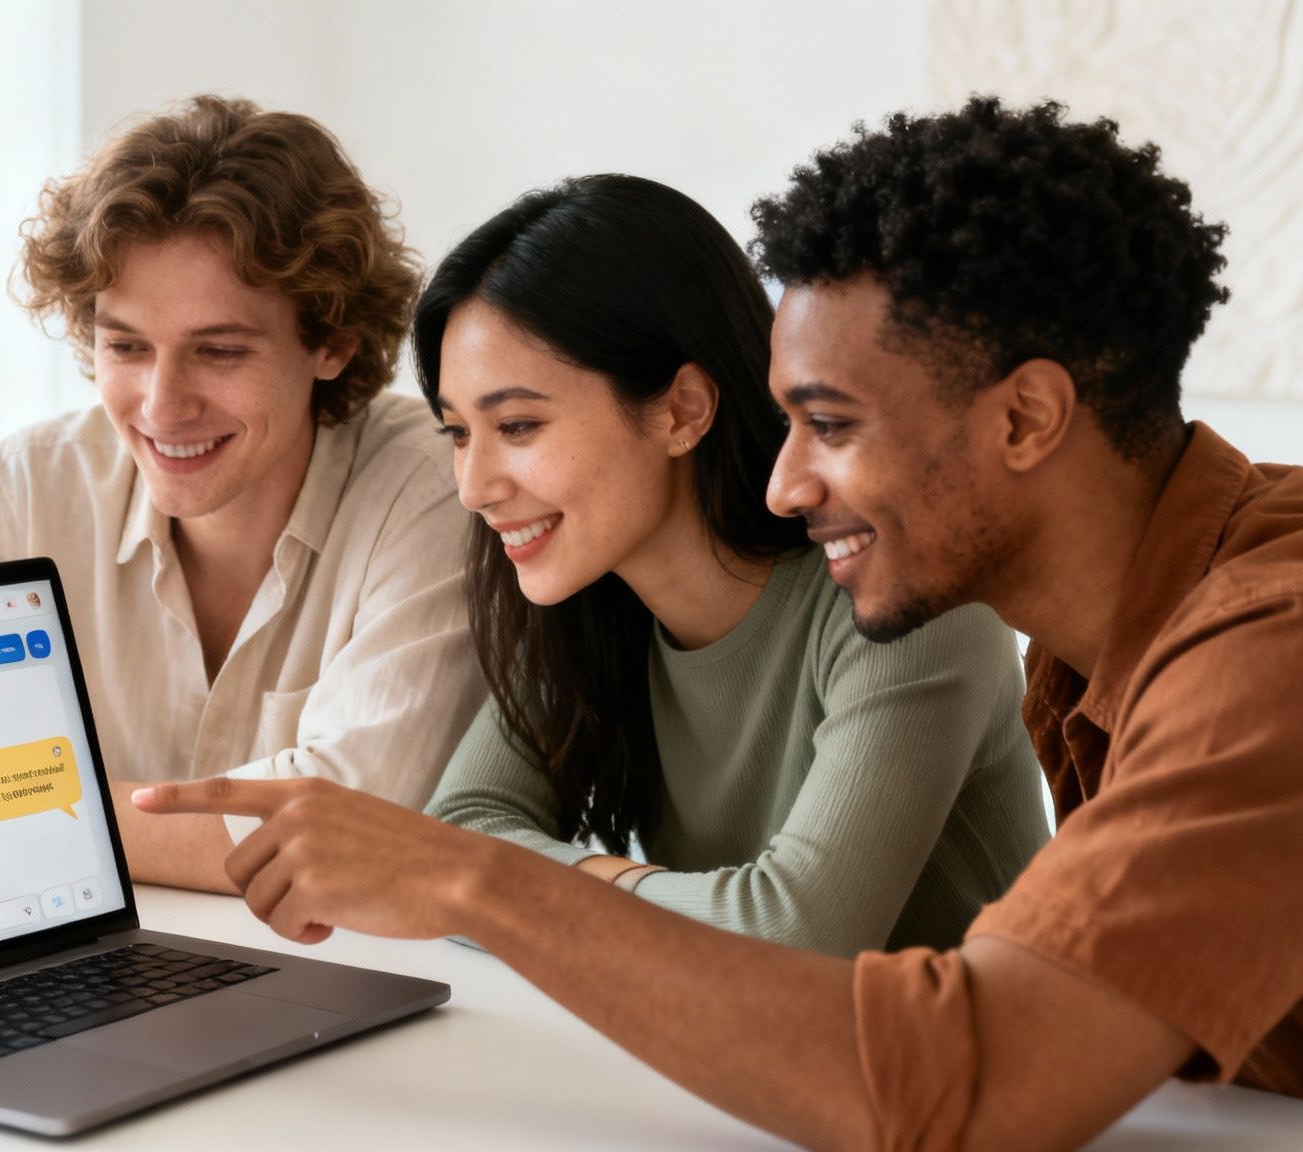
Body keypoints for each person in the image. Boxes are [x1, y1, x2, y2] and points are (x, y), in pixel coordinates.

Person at [135, 96, 1303, 1147]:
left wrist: (476, 879)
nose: (781, 482)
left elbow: (960, 1085)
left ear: (1026, 419)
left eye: (829, 426)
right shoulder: (1115, 620)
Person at [415, 174, 1045, 951]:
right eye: (457, 433)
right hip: (729, 1062)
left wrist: (550, 885)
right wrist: (624, 894)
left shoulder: (904, 606)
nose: (474, 488)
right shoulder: (590, 602)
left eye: (516, 425)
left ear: (682, 409)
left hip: (939, 1066)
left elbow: (792, 934)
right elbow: (451, 841)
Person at [0, 95, 486, 893]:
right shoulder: (24, 494)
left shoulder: (436, 490)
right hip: (90, 977)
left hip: (353, 980)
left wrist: (31, 810)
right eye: (126, 346)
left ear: (331, 341)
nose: (161, 405)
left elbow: (357, 831)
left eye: (218, 351)